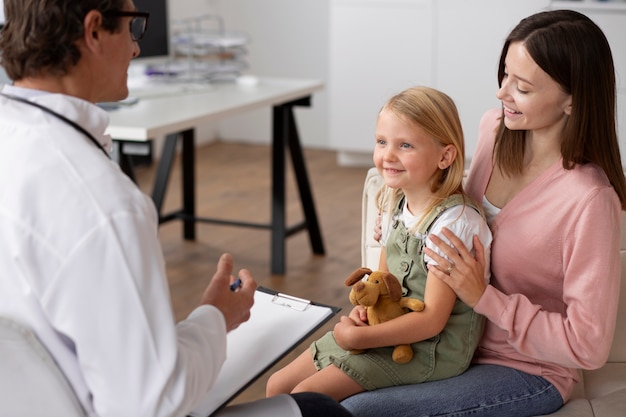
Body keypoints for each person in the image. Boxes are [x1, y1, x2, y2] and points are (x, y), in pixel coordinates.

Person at [0, 1, 353, 416]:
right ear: (94, 31)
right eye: (133, 28)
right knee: (319, 409)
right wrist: (216, 317)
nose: (135, 49)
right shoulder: (105, 205)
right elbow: (150, 406)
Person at [341, 9, 626, 417]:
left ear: (572, 100)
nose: (502, 94)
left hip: (523, 370)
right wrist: (398, 218)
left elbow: (588, 345)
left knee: (358, 410)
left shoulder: (590, 200)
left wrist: (485, 298)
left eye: (522, 87)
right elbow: (446, 211)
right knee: (324, 394)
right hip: (443, 341)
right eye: (504, 76)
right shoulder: (494, 131)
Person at [266, 86, 493, 401]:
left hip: (430, 349)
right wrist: (364, 311)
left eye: (405, 145)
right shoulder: (394, 203)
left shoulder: (453, 226)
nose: (388, 155)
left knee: (306, 395)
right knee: (277, 386)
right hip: (389, 326)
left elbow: (432, 321)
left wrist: (364, 337)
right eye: (382, 142)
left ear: (445, 156)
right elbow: (382, 284)